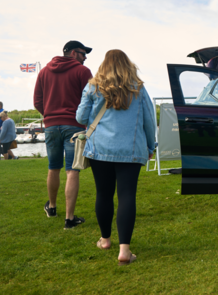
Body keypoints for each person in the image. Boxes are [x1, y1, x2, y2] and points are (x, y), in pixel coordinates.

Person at [76, 49, 155, 265]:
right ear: (128, 65)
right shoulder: (138, 87)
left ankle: (105, 239)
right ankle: (125, 251)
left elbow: (81, 116)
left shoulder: (93, 86)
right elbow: (149, 119)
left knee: (103, 193)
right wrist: (150, 146)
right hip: (130, 149)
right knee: (127, 195)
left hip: (100, 148)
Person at [34, 40, 93, 229]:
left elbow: (37, 100)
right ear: (74, 53)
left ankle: (51, 207)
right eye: (84, 54)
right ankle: (69, 218)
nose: (85, 58)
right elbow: (92, 98)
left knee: (53, 167)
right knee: (72, 170)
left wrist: (50, 115)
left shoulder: (44, 72)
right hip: (74, 126)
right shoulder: (82, 71)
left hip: (51, 126)